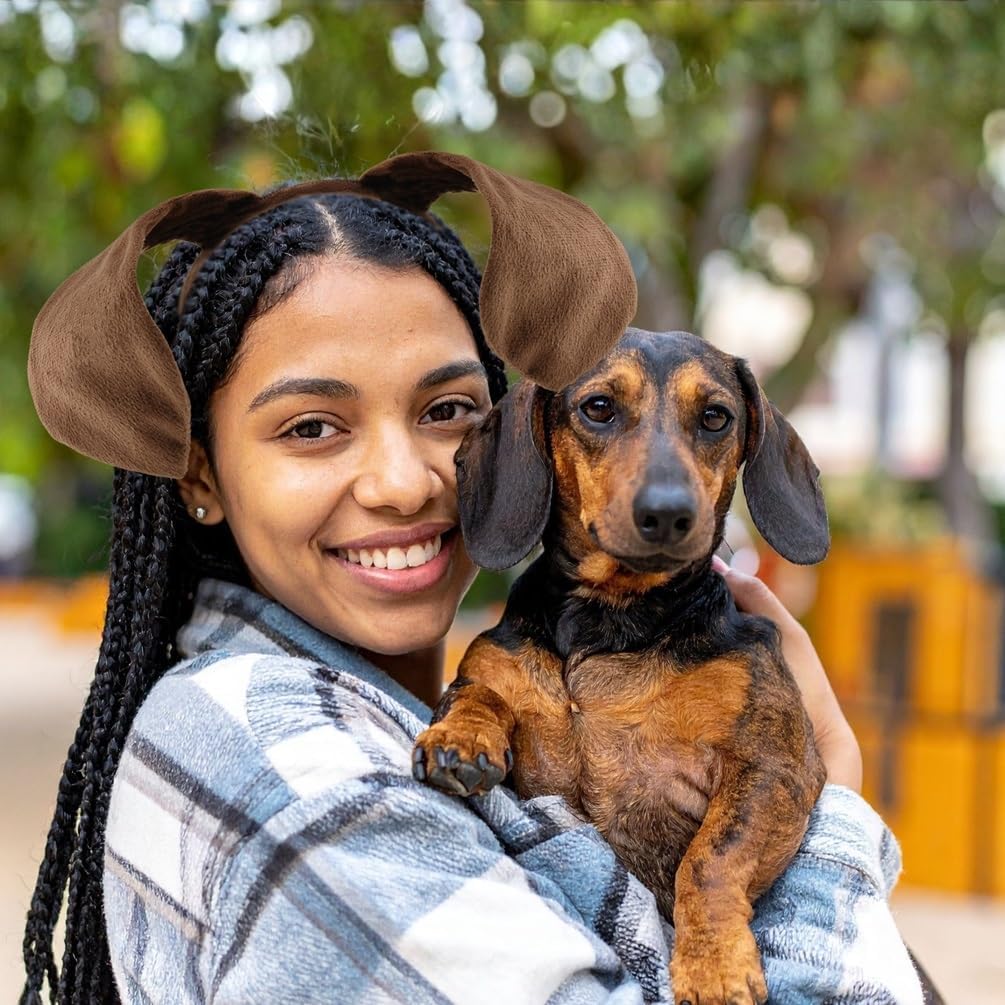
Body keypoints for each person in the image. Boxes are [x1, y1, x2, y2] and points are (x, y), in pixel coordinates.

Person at [21, 156, 924, 1005]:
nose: (406, 481)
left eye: (448, 410)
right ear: (201, 477)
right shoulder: (281, 765)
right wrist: (833, 808)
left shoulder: (398, 711)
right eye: (310, 427)